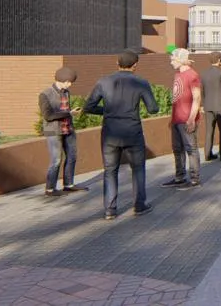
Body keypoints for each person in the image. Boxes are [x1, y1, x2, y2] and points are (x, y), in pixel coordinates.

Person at [84, 50, 159, 220]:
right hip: (133, 131)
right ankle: (139, 206)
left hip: (110, 132)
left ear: (117, 63)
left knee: (110, 171)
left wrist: (109, 111)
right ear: (135, 65)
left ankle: (110, 210)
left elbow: (88, 106)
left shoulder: (103, 81)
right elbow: (153, 109)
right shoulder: (141, 82)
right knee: (138, 168)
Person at [38, 66, 87, 197]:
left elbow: (65, 111)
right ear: (62, 79)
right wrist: (69, 113)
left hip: (68, 128)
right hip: (53, 131)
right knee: (56, 160)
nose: (70, 84)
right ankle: (50, 189)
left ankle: (68, 184)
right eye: (69, 81)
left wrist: (71, 114)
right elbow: (48, 115)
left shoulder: (66, 92)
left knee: (72, 156)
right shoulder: (45, 94)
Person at [162, 49, 202, 189]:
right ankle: (179, 177)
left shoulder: (192, 75)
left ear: (180, 59)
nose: (171, 61)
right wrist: (172, 119)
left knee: (191, 149)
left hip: (187, 119)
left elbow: (197, 98)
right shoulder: (178, 74)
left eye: (173, 59)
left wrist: (191, 119)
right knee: (177, 149)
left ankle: (194, 179)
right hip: (176, 119)